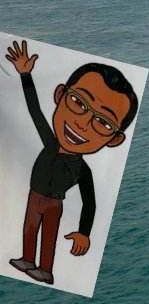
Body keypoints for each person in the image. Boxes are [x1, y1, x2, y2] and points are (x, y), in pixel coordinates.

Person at [5, 40, 139, 286]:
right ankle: (27, 259)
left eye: (104, 122)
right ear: (60, 95)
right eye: (78, 103)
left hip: (54, 203)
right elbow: (34, 109)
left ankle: (45, 270)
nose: (82, 124)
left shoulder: (82, 169)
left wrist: (84, 233)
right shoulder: (49, 141)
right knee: (29, 228)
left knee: (49, 235)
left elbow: (90, 202)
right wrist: (25, 74)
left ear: (115, 139)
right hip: (34, 195)